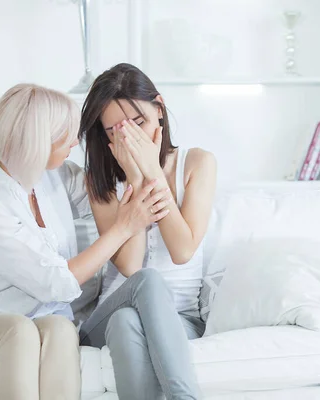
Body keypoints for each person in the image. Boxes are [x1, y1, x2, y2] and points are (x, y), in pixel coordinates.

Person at [0, 83, 170, 400]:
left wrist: (140, 163)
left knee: (61, 328)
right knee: (18, 331)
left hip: (30, 315)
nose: (76, 142)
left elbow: (103, 191)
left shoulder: (50, 174)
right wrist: (123, 227)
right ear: (37, 143)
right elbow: (58, 284)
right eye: (67, 135)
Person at [78, 63, 217, 400]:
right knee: (145, 284)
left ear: (159, 108)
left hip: (179, 317)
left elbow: (182, 250)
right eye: (113, 130)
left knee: (126, 324)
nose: (128, 136)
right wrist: (136, 179)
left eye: (137, 123)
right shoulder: (101, 178)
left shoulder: (198, 163)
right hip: (108, 308)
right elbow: (130, 267)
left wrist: (152, 170)